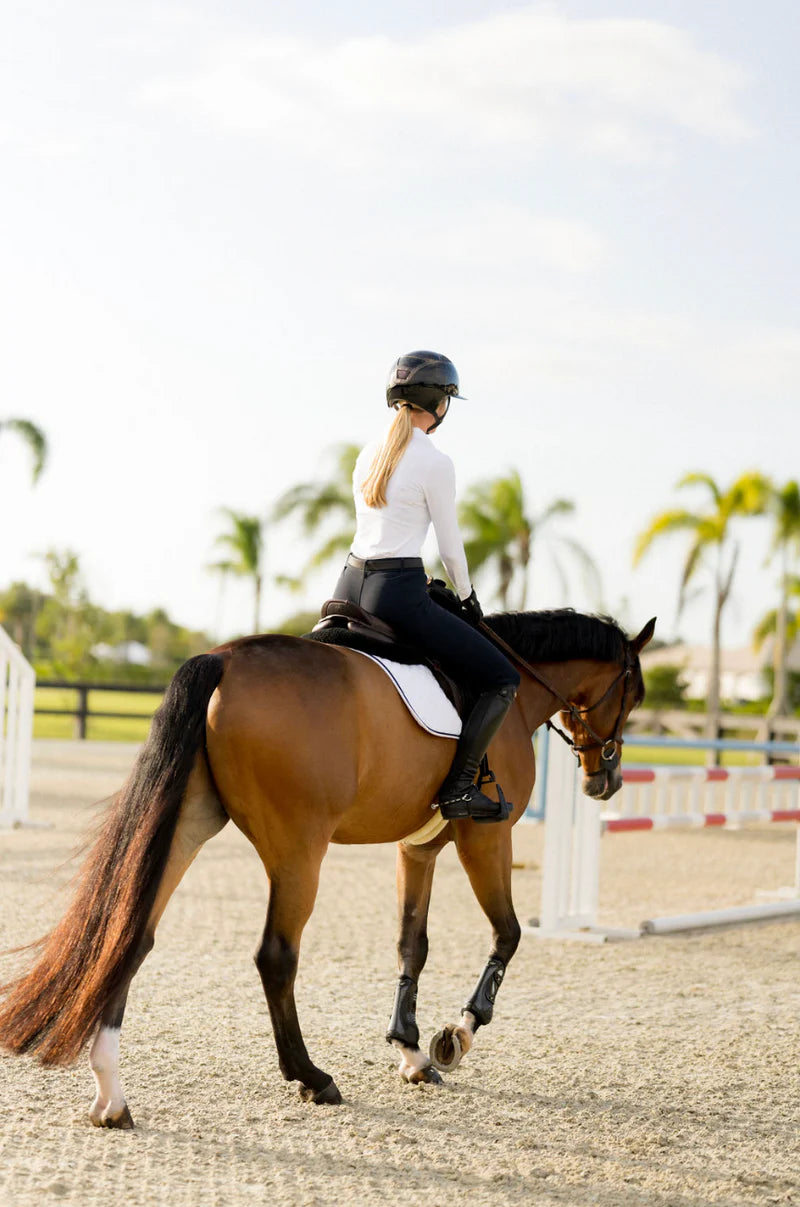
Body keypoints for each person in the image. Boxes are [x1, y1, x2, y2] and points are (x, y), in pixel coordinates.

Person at [331, 350, 520, 822]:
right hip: (395, 593)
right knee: (502, 678)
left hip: (348, 584)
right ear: (439, 403)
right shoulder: (435, 461)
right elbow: (450, 545)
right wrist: (467, 596)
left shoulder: (368, 453)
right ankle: (458, 788)